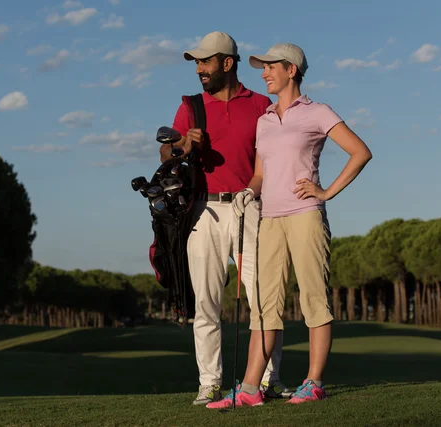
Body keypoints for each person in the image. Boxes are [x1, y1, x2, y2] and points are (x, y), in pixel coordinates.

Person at [206, 42, 373, 409]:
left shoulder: (317, 112)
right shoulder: (264, 119)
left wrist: (326, 191)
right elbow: (262, 173)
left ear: (291, 70)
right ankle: (250, 388)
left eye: (270, 67)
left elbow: (360, 152)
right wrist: (247, 192)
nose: (264, 73)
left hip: (305, 215)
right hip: (269, 218)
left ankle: (314, 382)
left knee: (314, 297)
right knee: (264, 306)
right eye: (262, 68)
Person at [160, 31, 292, 406]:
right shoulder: (191, 106)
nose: (200, 69)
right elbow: (165, 154)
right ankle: (209, 382)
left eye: (206, 62)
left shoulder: (261, 105)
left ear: (227, 63)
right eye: (197, 63)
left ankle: (267, 379)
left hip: (250, 206)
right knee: (206, 303)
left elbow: (274, 159)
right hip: (203, 210)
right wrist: (182, 145)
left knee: (263, 299)